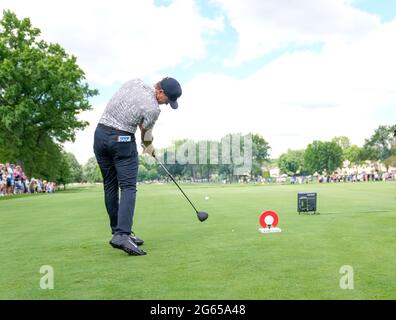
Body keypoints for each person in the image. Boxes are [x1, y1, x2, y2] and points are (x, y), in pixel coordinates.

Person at [93, 77, 182, 256]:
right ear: (160, 92)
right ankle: (123, 234)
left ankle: (117, 231)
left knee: (110, 185)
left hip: (100, 136)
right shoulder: (153, 109)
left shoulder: (134, 82)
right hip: (122, 140)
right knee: (128, 187)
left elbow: (130, 108)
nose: (166, 105)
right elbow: (146, 134)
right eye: (168, 100)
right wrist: (148, 147)